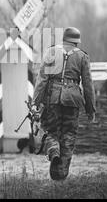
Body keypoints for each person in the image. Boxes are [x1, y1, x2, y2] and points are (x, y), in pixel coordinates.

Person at [32, 27, 96, 180]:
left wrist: (35, 102)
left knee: (50, 130)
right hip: (72, 100)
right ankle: (60, 176)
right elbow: (88, 85)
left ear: (64, 39)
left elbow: (42, 79)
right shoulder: (82, 56)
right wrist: (90, 109)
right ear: (77, 41)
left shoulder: (51, 52)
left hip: (52, 98)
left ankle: (53, 149)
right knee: (69, 135)